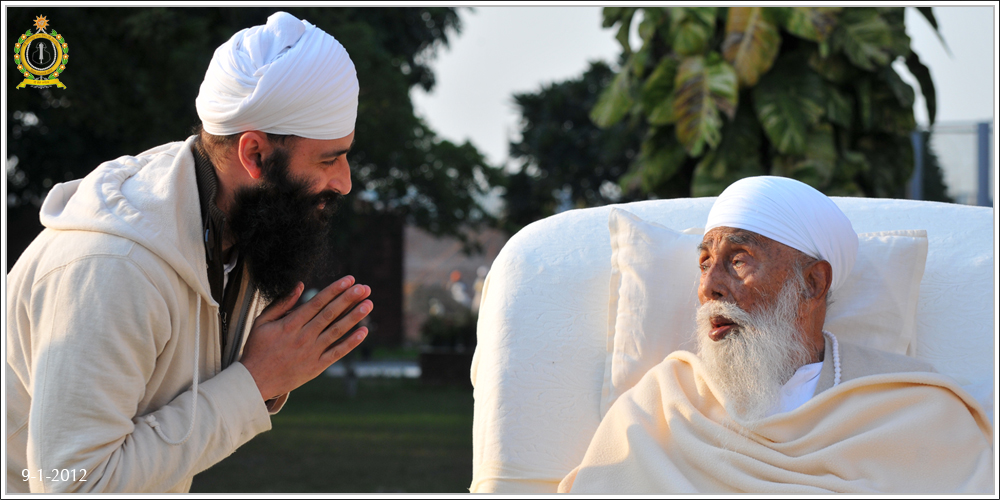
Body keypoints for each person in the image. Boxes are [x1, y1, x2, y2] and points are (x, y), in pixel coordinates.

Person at [6, 12, 374, 493]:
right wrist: (254, 381)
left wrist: (267, 370)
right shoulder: (114, 267)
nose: (344, 182)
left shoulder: (229, 227)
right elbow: (74, 485)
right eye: (329, 159)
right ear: (255, 155)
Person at [558, 176, 993, 494]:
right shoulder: (660, 407)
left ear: (813, 283)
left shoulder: (914, 411)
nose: (708, 287)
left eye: (739, 259)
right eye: (705, 262)